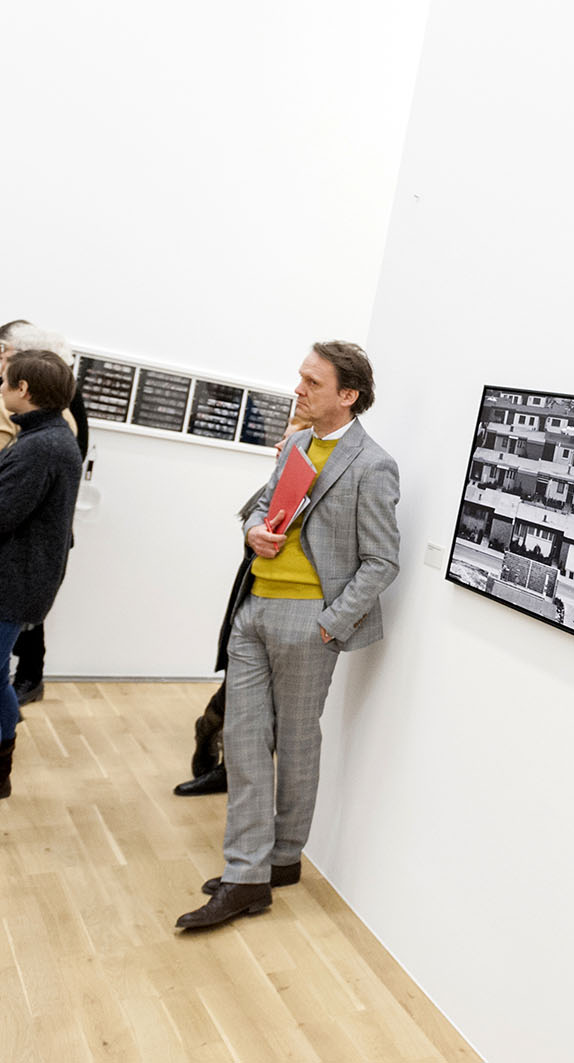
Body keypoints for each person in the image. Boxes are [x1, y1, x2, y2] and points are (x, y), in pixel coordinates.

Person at [176, 341, 399, 929]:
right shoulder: (296, 445)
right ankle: (247, 872)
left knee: (296, 744)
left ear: (347, 395)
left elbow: (382, 561)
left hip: (308, 621)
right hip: (254, 608)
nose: (298, 389)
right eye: (301, 377)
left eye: (312, 382)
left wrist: (330, 624)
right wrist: (254, 532)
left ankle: (282, 858)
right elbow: (258, 510)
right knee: (244, 743)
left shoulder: (372, 464)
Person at [174, 413, 312, 798]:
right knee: (234, 690)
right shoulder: (273, 489)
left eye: (290, 440)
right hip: (251, 602)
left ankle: (222, 760)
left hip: (282, 610)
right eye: (282, 438)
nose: (280, 446)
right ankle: (209, 732)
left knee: (252, 704)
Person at [0, 349, 83, 798]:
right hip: (18, 580)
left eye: (5, 381)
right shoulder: (45, 437)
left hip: (11, 584)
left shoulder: (42, 446)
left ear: (24, 389)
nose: (1, 388)